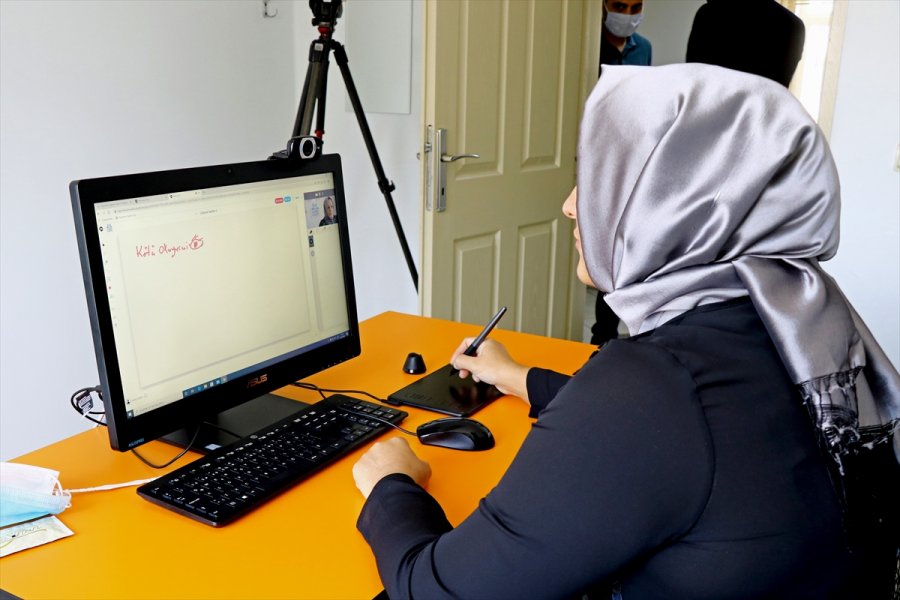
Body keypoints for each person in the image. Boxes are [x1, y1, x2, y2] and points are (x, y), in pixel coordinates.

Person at [351, 64, 900, 599]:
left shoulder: (654, 384)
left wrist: (390, 485)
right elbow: (686, 433)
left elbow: (435, 589)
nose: (570, 206)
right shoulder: (798, 315)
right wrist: (518, 377)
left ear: (676, 202)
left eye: (600, 180)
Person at [591, 0, 653, 345]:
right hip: (592, 154)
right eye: (619, 5)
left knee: (619, 251)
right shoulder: (587, 44)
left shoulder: (643, 48)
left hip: (629, 157)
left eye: (635, 6)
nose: (627, 15)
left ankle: (606, 334)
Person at [686, 0, 805, 88]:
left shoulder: (709, 14)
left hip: (711, 108)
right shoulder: (794, 25)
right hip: (763, 111)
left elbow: (694, 74)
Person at [599, 0, 652, 70]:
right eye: (620, 7)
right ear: (603, 5)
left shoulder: (644, 47)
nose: (628, 15)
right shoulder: (590, 46)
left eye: (636, 8)